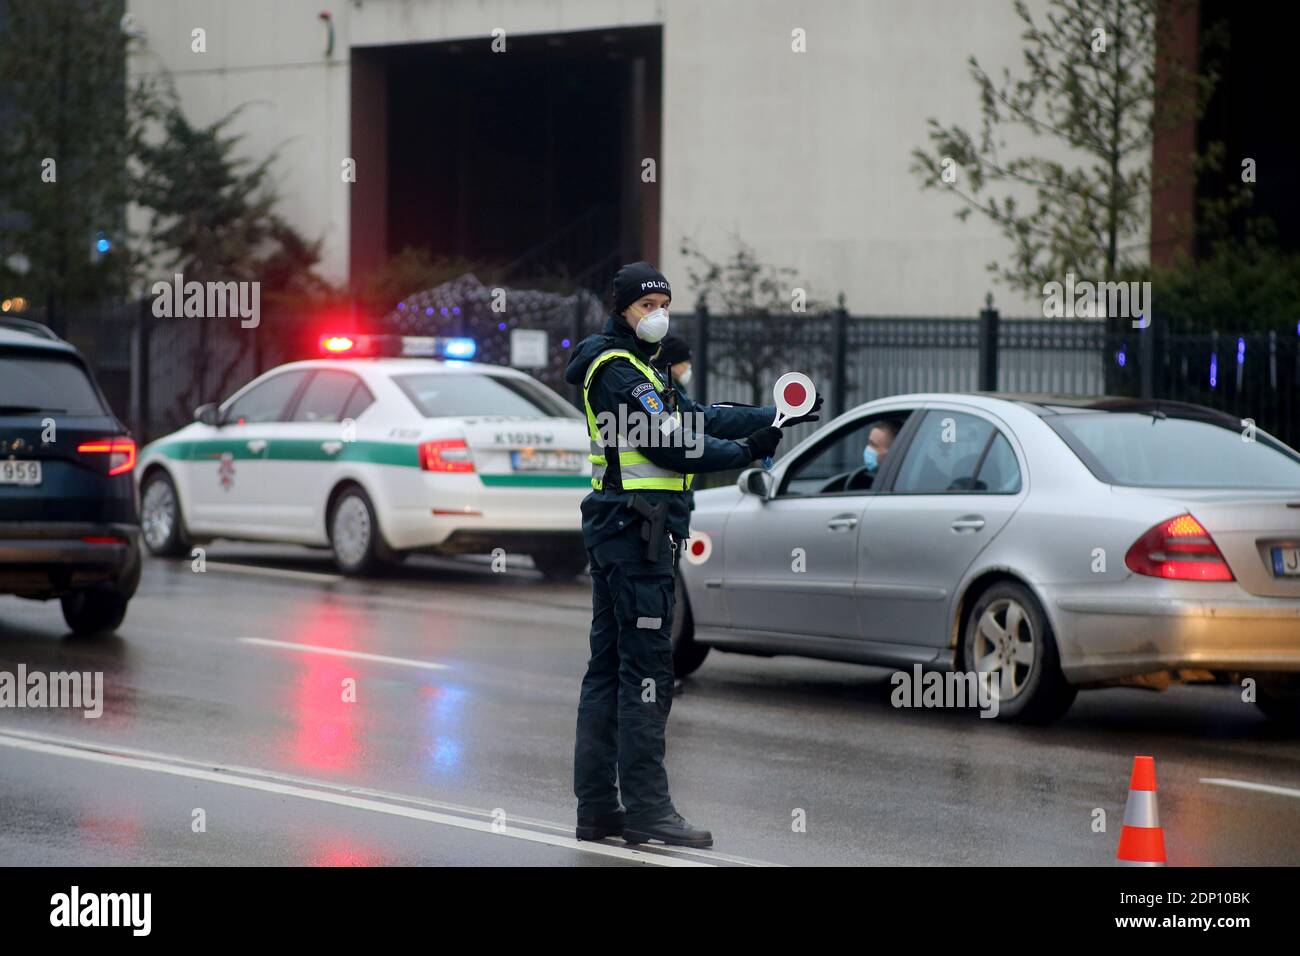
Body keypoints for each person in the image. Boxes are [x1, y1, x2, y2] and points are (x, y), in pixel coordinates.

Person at [565, 261, 819, 848]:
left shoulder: (641, 368)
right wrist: (745, 451)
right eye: (645, 305)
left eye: (663, 303)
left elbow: (694, 414)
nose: (657, 314)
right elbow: (669, 444)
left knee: (610, 670)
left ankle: (600, 809)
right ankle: (648, 810)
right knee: (647, 674)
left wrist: (777, 414)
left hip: (627, 532)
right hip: (634, 535)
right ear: (621, 307)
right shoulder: (615, 370)